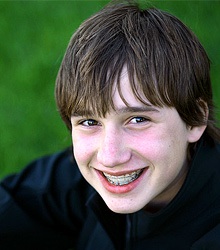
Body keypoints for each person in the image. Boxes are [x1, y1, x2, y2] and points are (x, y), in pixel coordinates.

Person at [1, 1, 220, 249]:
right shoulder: (87, 181)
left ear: (195, 120)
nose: (110, 156)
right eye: (89, 121)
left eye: (138, 120)